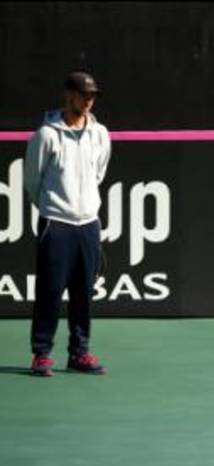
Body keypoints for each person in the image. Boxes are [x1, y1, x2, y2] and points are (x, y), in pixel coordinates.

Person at [23, 71, 111, 377]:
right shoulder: (46, 135)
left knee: (83, 292)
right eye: (83, 95)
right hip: (56, 224)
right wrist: (54, 208)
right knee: (50, 291)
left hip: (88, 225)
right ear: (68, 95)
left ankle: (79, 353)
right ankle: (41, 354)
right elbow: (32, 181)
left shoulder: (100, 134)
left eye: (92, 96)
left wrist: (84, 207)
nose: (88, 101)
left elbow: (99, 172)